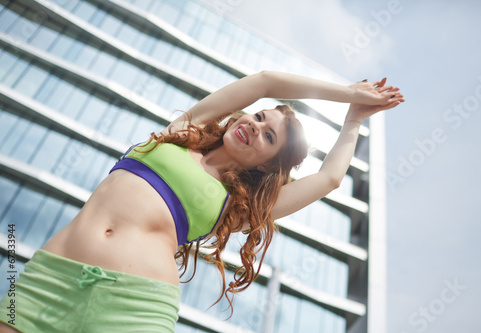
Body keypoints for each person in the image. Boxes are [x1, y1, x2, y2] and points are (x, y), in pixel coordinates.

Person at [0, 71, 404, 332]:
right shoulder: (179, 131)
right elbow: (263, 81)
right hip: (50, 278)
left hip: (135, 307)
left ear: (267, 167)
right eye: (260, 118)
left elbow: (330, 178)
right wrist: (346, 91)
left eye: (269, 137)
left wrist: (352, 120)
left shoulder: (238, 208)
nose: (255, 127)